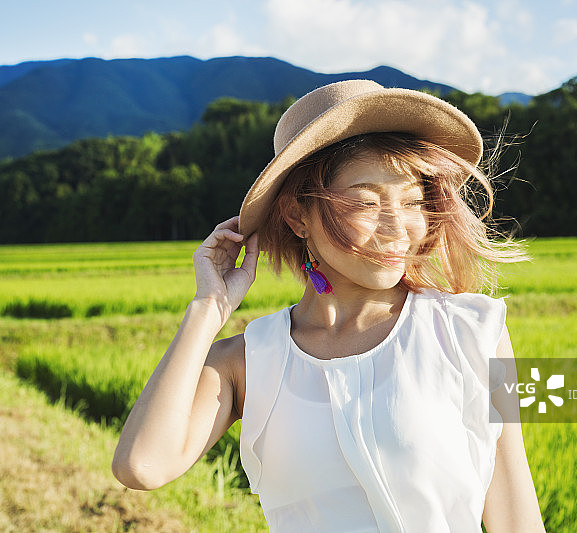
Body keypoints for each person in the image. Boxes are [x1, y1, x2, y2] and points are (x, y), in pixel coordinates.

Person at [112, 79, 546, 532]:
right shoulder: (249, 361)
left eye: (414, 201)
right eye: (365, 202)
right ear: (298, 216)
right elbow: (142, 465)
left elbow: (516, 516)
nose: (398, 227)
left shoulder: (472, 332)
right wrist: (207, 310)